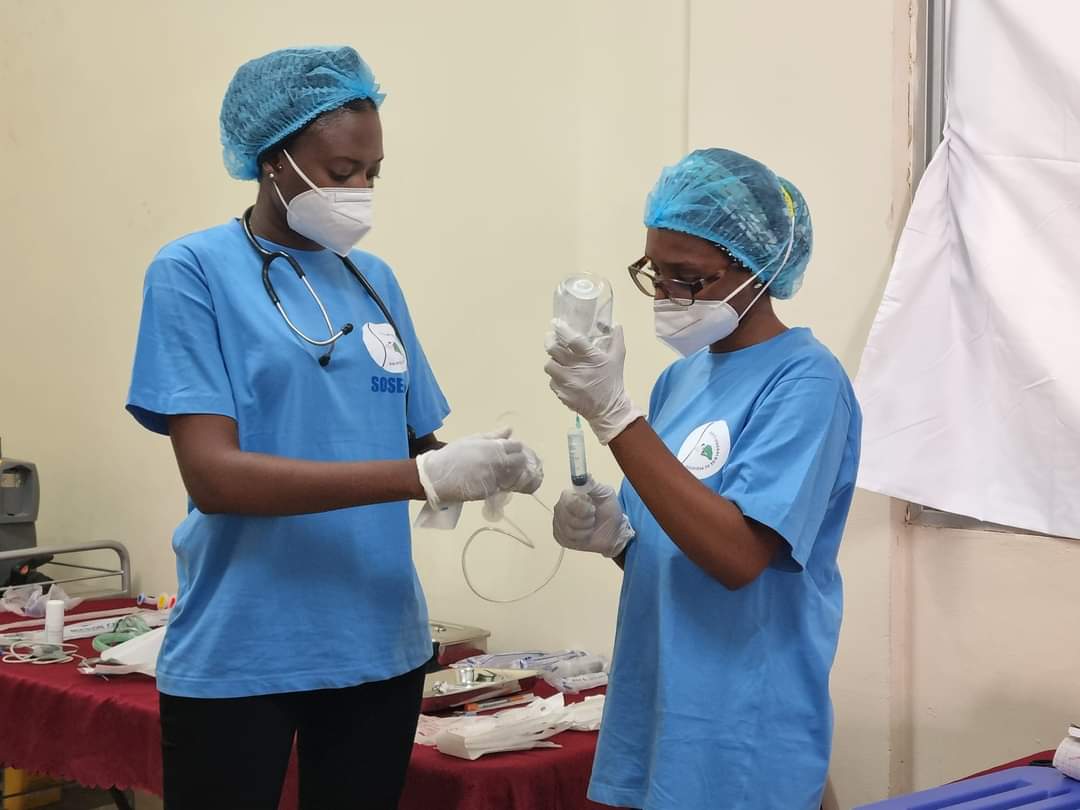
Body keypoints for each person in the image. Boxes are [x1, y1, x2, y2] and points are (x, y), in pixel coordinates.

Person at [127, 46, 543, 810]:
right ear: (271, 159)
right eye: (342, 171)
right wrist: (420, 475)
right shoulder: (192, 271)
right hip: (244, 647)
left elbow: (411, 445)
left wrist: (487, 464)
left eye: (372, 173)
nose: (360, 192)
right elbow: (215, 478)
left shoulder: (373, 281)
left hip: (379, 644)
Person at [544, 148, 861, 810]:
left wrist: (615, 417)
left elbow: (739, 557)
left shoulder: (805, 381)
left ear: (758, 267)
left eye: (687, 278)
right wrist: (618, 540)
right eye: (655, 274)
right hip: (662, 710)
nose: (666, 297)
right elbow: (680, 549)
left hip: (741, 725)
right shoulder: (679, 381)